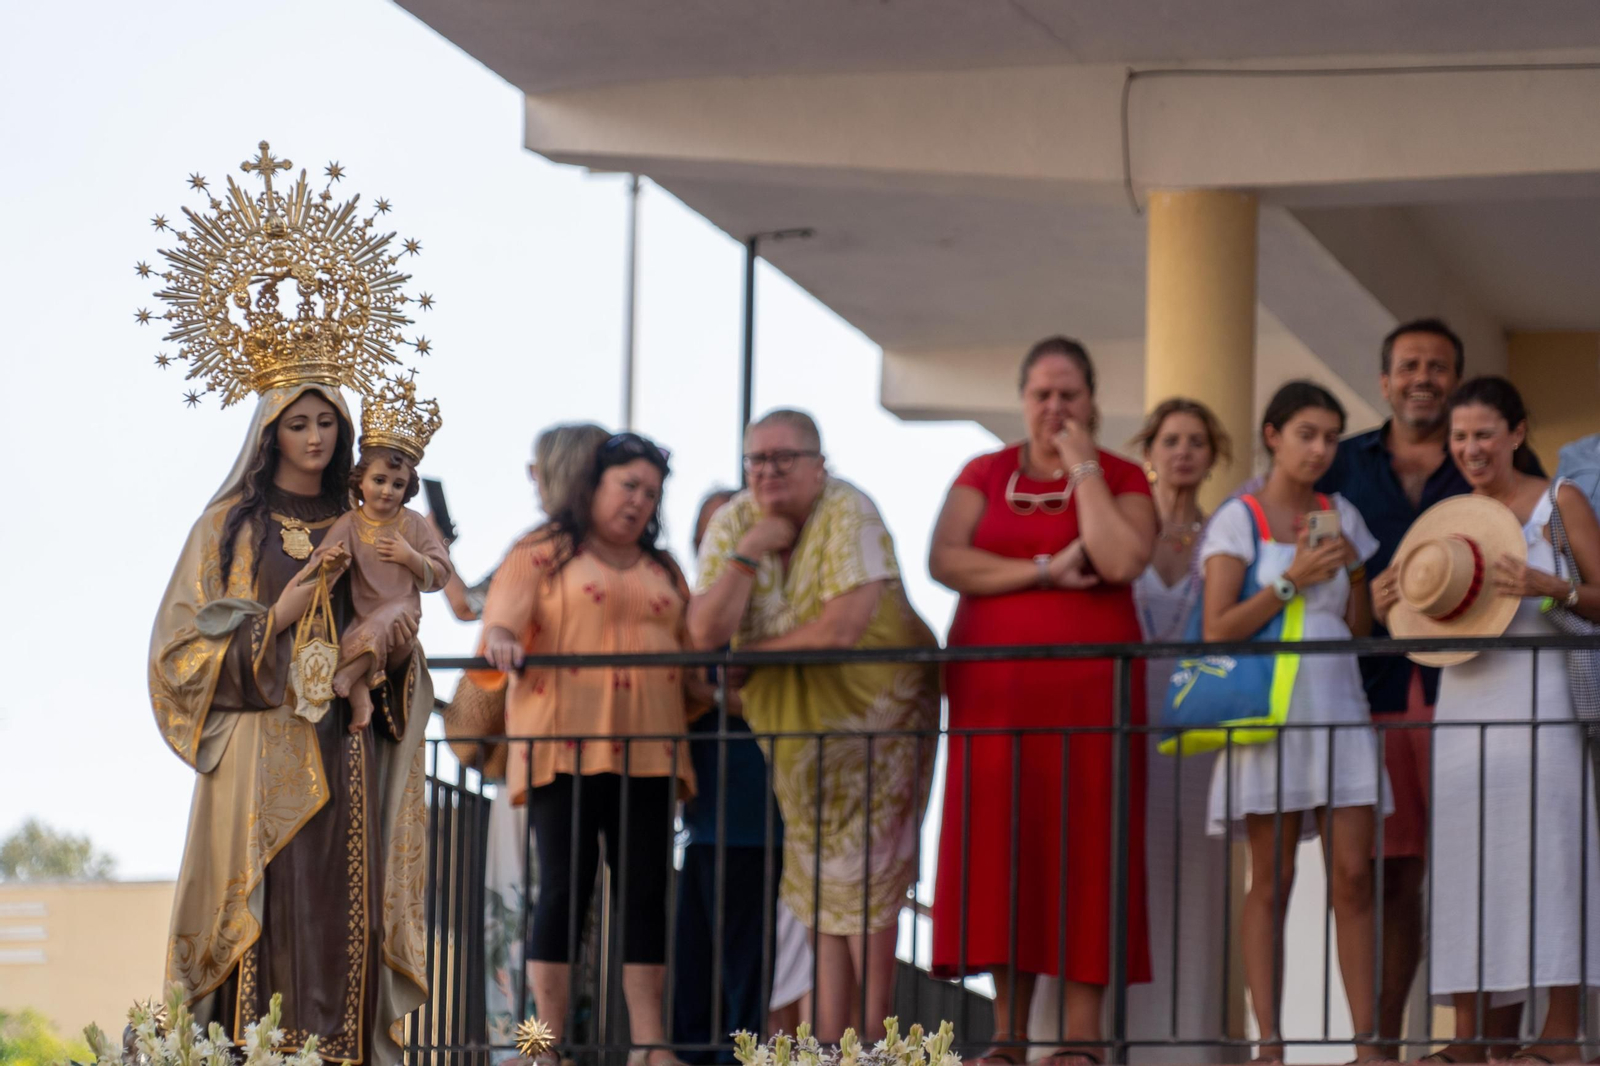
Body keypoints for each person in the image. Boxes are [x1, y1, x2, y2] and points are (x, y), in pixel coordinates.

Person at [151, 382, 433, 1065]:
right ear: (269, 432)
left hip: (345, 735)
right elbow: (179, 656)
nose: (315, 438)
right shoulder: (229, 527)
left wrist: (385, 650)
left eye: (328, 423)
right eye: (298, 423)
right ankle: (260, 1050)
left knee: (345, 897)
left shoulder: (368, 514)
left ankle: (339, 1052)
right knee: (272, 900)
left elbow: (403, 611)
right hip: (261, 736)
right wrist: (279, 614)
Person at [927, 336, 1157, 1066]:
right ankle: (1009, 1036)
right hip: (993, 698)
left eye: (1070, 395)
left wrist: (1083, 465)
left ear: (1091, 401)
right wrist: (1043, 570)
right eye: (1041, 395)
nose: (1054, 408)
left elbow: (1121, 558)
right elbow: (946, 559)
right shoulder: (983, 472)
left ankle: (1082, 1038)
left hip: (1093, 696)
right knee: (1004, 851)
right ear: (1021, 401)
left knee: (1089, 845)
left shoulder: (1121, 476)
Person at [688, 409, 940, 1043]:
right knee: (819, 880)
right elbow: (701, 633)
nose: (767, 472)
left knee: (874, 875)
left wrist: (748, 660)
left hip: (880, 714)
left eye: (783, 458)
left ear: (818, 464)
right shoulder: (736, 522)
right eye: (756, 460)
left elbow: (842, 630)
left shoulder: (849, 509)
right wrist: (746, 554)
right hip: (801, 732)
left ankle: (878, 1043)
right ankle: (832, 1047)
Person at [1381, 377, 1600, 1064]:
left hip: (1543, 711)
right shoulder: (1447, 520)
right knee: (1469, 866)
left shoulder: (1558, 502)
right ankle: (1473, 1040)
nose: (1471, 449)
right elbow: (1415, 620)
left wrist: (1552, 587)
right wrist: (1387, 595)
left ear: (1516, 432)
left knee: (1553, 860)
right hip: (1464, 709)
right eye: (1459, 437)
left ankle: (1561, 1034)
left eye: (1482, 435)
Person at [475, 431, 701, 1066]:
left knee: (645, 890)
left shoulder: (665, 568)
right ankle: (542, 1045)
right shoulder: (544, 549)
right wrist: (498, 639)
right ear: (595, 486)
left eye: (651, 493)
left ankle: (650, 1046)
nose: (639, 502)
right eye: (628, 485)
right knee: (565, 890)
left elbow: (691, 661)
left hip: (652, 751)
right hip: (561, 745)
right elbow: (499, 619)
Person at [1200, 380, 1385, 1063]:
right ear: (1273, 435)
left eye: (1331, 437)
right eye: (1307, 433)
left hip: (1338, 702)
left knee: (1354, 875)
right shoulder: (1237, 519)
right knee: (1271, 879)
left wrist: (1356, 577)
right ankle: (1269, 1044)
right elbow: (1219, 630)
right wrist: (1290, 578)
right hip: (1268, 713)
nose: (1320, 448)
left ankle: (1369, 1046)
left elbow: (1359, 629)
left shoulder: (1343, 513)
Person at [1316, 318, 1470, 1055]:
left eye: (1438, 367)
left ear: (1455, 381)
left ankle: (1474, 1041)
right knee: (1390, 878)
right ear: (1384, 382)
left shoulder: (1483, 457)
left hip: (1466, 690)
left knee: (1477, 859)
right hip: (1371, 690)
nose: (1423, 378)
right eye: (1410, 365)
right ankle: (1378, 1044)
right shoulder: (1341, 467)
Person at [1123, 399, 1237, 1061]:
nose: (1183, 452)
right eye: (1171, 440)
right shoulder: (1124, 529)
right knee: (1120, 870)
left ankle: (1184, 1047)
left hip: (1196, 730)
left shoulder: (1225, 534)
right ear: (1150, 450)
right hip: (1127, 722)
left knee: (1196, 881)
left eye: (1197, 440)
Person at [673, 487, 785, 1063]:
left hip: (752, 811)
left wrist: (712, 689)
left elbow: (755, 688)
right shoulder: (696, 605)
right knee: (695, 959)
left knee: (746, 963)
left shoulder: (768, 606)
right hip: (704, 814)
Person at [318, 429, 454, 732]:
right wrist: (332, 562)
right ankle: (361, 701)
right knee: (352, 639)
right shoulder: (351, 523)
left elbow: (441, 570)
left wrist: (410, 557)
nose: (387, 491)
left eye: (397, 484)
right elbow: (323, 559)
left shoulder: (411, 523)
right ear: (361, 481)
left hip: (402, 609)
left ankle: (349, 674)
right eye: (379, 481)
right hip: (364, 611)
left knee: (378, 629)